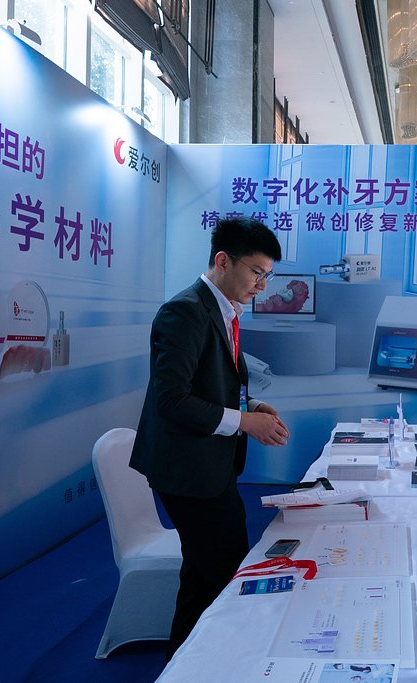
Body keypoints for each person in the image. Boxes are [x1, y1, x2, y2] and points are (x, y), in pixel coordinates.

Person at [130, 216, 291, 659]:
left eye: (268, 275)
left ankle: (182, 661)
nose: (262, 285)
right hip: (188, 470)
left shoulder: (224, 310)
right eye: (256, 272)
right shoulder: (184, 312)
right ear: (223, 261)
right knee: (227, 575)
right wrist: (244, 423)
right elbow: (173, 400)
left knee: (202, 578)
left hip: (211, 465)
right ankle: (217, 662)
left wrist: (252, 406)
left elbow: (214, 384)